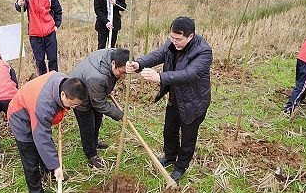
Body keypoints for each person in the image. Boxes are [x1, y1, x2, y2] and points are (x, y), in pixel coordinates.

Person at [128, 17, 212, 182]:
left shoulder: (203, 51)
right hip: (175, 98)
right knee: (169, 131)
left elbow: (190, 74)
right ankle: (170, 156)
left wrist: (160, 77)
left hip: (194, 102)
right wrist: (139, 64)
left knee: (188, 136)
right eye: (172, 38)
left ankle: (181, 167)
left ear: (191, 36)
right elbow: (159, 54)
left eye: (178, 39)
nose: (174, 42)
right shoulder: (172, 43)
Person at [8, 72, 88, 193]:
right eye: (73, 104)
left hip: (32, 108)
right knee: (30, 158)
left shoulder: (63, 82)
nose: (73, 108)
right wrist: (56, 165)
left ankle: (49, 172)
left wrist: (53, 165)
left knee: (43, 149)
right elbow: (42, 136)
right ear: (63, 95)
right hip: (20, 117)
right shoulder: (44, 105)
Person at [70, 48, 129, 169]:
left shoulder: (112, 54)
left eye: (126, 73)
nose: (123, 76)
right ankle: (91, 154)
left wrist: (105, 90)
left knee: (97, 119)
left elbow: (99, 99)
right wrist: (119, 114)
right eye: (122, 72)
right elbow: (99, 104)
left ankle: (95, 142)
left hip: (92, 88)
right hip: (80, 96)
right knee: (88, 126)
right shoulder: (97, 77)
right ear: (113, 63)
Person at [15, 0, 62, 75]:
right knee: (40, 62)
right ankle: (42, 82)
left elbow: (58, 10)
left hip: (50, 33)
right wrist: (19, 4)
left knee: (53, 60)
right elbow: (21, 7)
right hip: (35, 36)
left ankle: (54, 80)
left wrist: (56, 25)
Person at [283, 32, 306, 115]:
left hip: (301, 58)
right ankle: (289, 108)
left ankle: (299, 101)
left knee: (301, 83)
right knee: (302, 86)